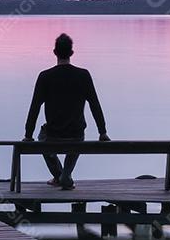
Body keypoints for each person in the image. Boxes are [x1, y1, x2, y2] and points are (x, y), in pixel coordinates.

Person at [23, 33, 110, 190]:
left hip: (52, 135)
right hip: (76, 134)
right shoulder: (83, 75)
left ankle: (59, 175)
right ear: (71, 53)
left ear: (55, 52)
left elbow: (35, 107)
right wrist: (102, 132)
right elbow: (94, 104)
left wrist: (28, 135)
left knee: (41, 138)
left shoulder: (45, 77)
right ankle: (66, 175)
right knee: (78, 136)